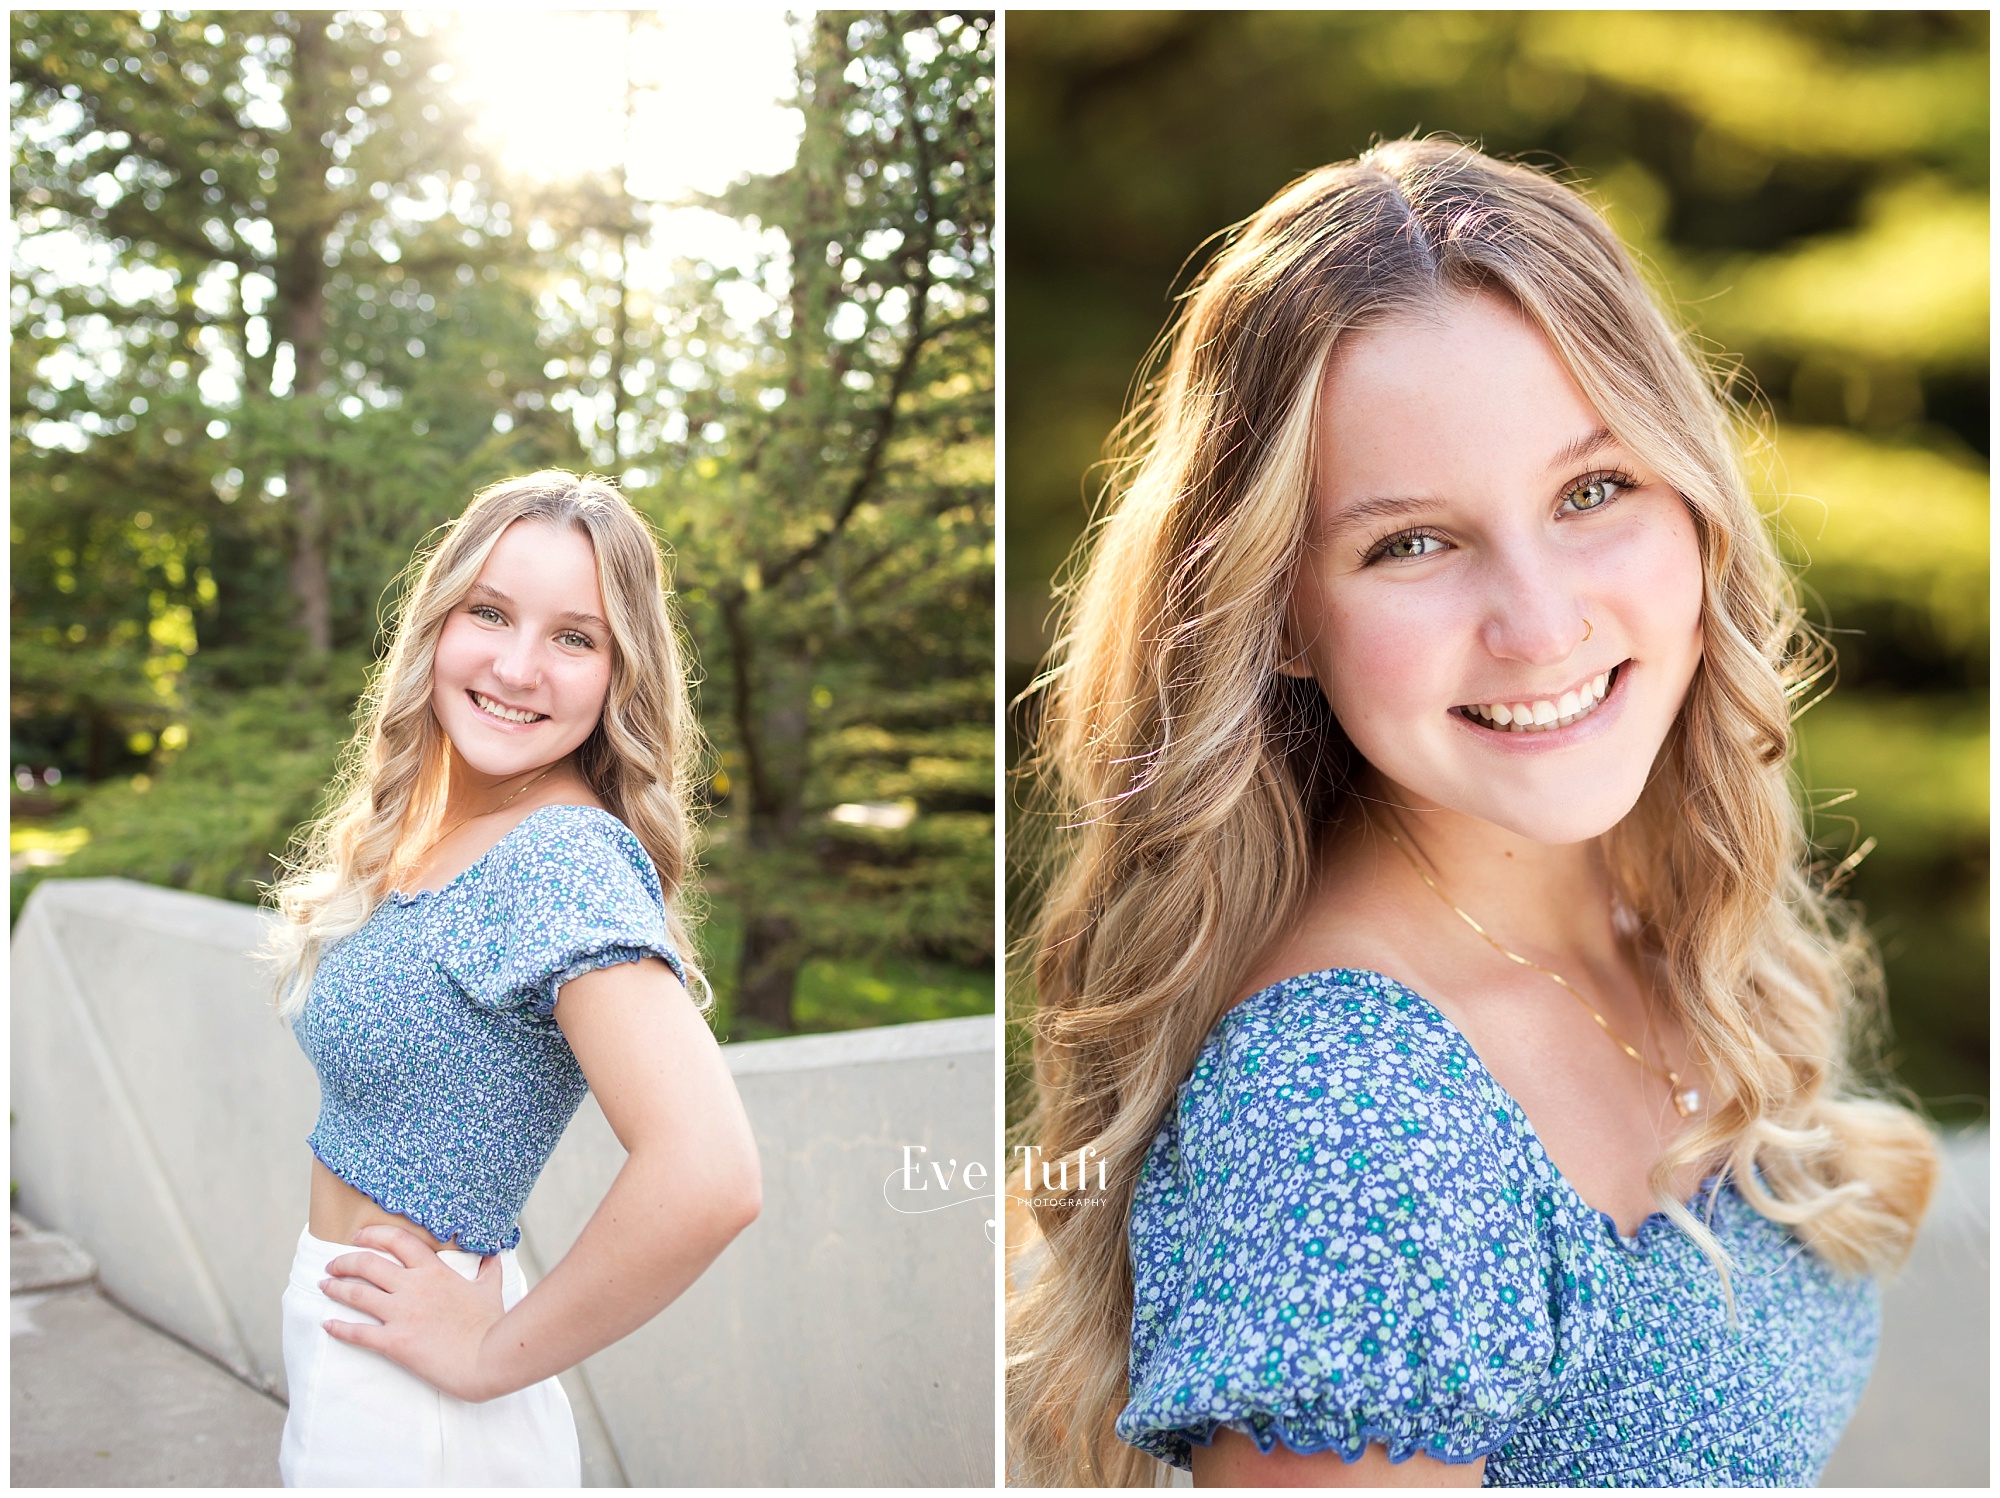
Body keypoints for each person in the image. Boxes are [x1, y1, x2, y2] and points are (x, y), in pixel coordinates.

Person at [1006, 139, 1939, 1487]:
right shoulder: (1350, 1115)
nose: (1542, 623)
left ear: (1692, 497)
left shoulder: (1654, 911)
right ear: (1279, 617)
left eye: (1592, 490)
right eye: (1411, 542)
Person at [264, 471, 761, 1486]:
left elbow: (709, 1173)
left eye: (575, 637)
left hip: (422, 1399)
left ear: (620, 673)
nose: (518, 665)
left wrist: (488, 1354)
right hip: (355, 1333)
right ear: (436, 623)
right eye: (489, 612)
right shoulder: (443, 829)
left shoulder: (557, 859)